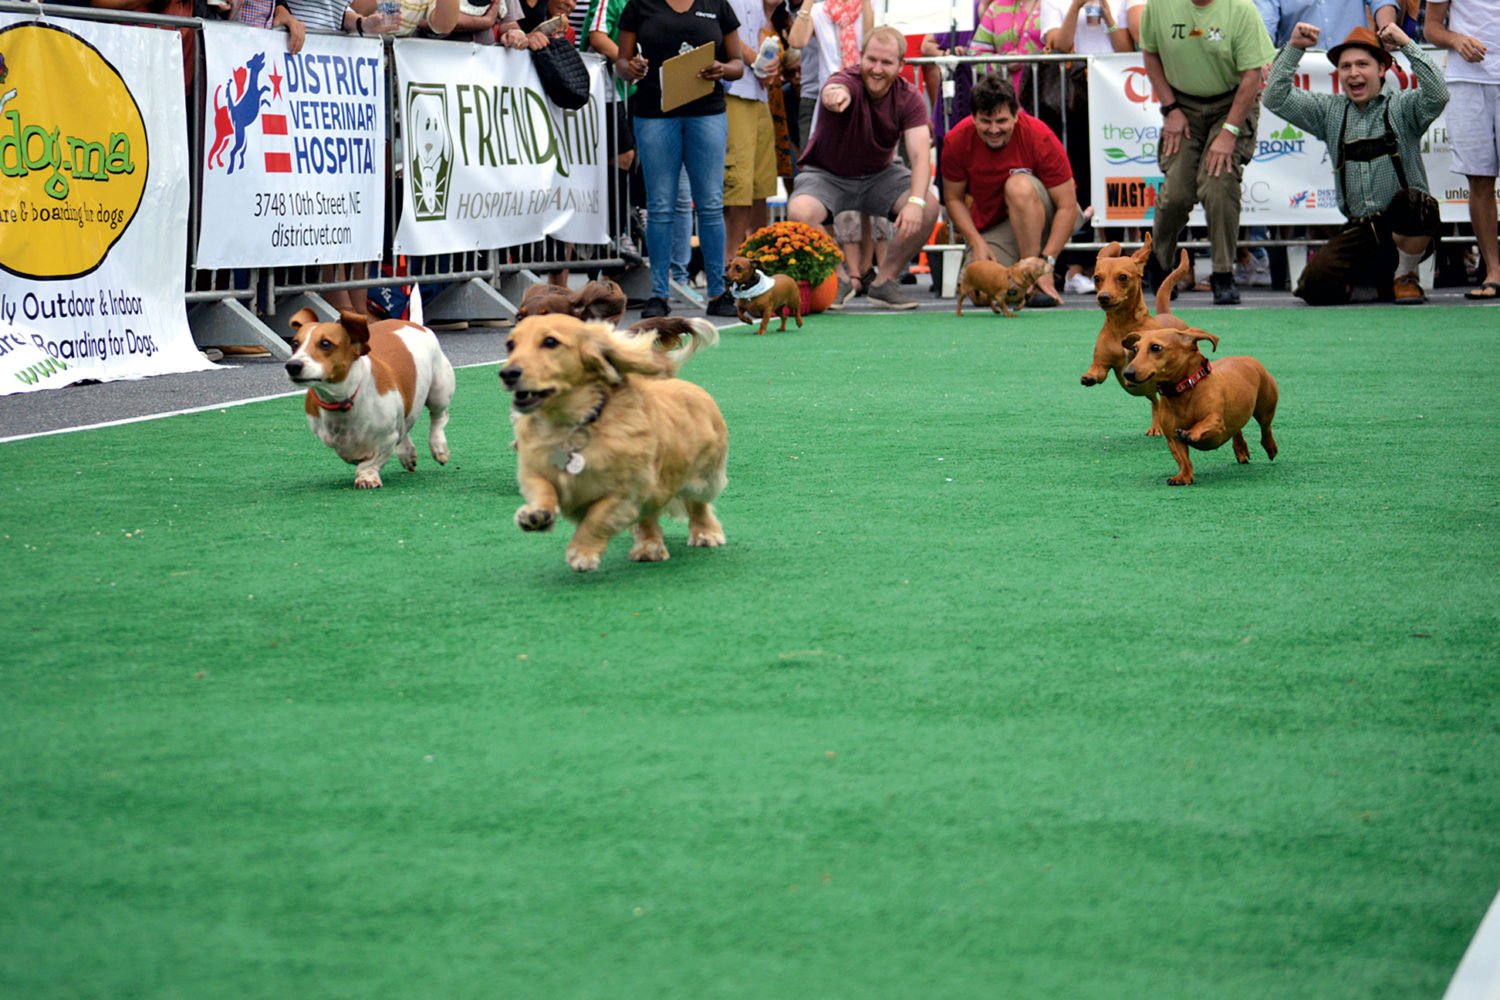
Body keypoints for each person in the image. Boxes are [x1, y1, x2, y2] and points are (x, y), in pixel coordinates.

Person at [1263, 22, 1448, 303]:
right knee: (1312, 285)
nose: (1353, 73)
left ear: (1382, 69)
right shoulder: (1329, 111)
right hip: (1361, 229)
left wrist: (1406, 43)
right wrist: (1295, 48)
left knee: (1417, 204)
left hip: (1405, 226)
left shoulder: (1403, 107)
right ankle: (1381, 289)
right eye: (1345, 66)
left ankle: (1406, 276)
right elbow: (1275, 98)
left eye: (1363, 64)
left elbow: (1438, 94)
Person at [787, 26, 941, 309]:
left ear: (901, 66)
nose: (877, 69)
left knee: (929, 205)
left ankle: (885, 282)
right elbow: (835, 88)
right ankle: (840, 278)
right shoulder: (845, 80)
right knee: (799, 212)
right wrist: (835, 96)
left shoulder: (910, 98)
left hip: (880, 175)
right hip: (826, 174)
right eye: (872, 60)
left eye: (886, 62)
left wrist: (916, 203)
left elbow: (920, 157)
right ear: (860, 57)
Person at [1138, 0, 1275, 304]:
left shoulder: (1241, 9)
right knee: (1176, 194)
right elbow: (1150, 52)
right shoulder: (1158, 6)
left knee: (1219, 182)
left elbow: (1252, 73)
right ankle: (1160, 265)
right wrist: (1170, 107)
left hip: (1232, 100)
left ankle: (1223, 273)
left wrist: (1230, 131)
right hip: (1182, 102)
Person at [615, 0, 743, 319]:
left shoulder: (717, 5)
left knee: (711, 204)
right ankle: (659, 294)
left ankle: (718, 292)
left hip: (707, 113)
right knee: (660, 206)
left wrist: (722, 69)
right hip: (655, 114)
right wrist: (632, 68)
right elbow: (621, 61)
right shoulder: (640, 5)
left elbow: (738, 64)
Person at [940, 71, 1078, 306]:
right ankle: (1024, 282)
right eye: (985, 121)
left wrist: (1046, 264)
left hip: (1047, 214)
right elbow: (953, 199)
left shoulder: (1038, 135)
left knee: (1018, 186)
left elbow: (1066, 206)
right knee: (981, 294)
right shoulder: (956, 140)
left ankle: (1033, 276)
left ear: (1016, 116)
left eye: (1001, 121)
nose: (994, 129)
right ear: (973, 118)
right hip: (997, 224)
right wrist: (976, 241)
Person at [1425, 0, 1500, 301]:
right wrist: (1456, 39)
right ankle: (1494, 271)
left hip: (1471, 80)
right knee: (1479, 180)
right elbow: (1431, 27)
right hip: (1466, 80)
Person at [722, 0, 781, 297]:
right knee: (738, 182)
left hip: (759, 94)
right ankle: (729, 264)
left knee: (761, 184)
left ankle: (756, 265)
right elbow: (723, 31)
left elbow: (765, 33)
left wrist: (770, 14)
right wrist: (757, 59)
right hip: (732, 91)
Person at [1252, 0, 1397, 47]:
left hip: (1357, 65)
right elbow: (1264, 25)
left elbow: (1383, 2)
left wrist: (1387, 29)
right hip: (1302, 74)